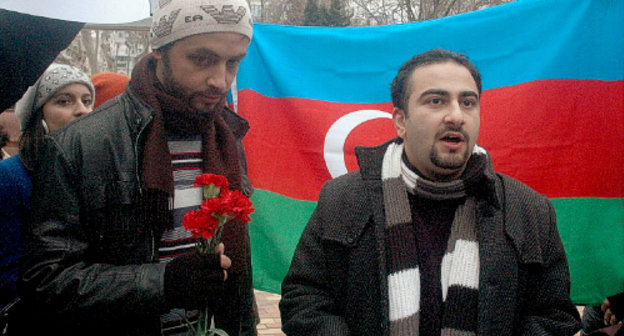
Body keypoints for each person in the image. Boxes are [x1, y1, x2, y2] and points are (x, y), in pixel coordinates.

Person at [279, 49, 581, 336]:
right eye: (436, 101)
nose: (456, 116)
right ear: (400, 121)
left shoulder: (529, 210)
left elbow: (553, 315)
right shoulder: (343, 200)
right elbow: (304, 299)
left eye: (468, 102)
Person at [20, 0, 256, 335]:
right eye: (201, 59)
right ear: (160, 51)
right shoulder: (79, 145)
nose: (219, 80)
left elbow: (238, 271)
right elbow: (46, 281)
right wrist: (162, 282)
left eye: (232, 63)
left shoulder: (228, 139)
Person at [0, 63, 94, 332]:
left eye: (87, 101)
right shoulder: (9, 177)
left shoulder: (95, 173)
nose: (82, 110)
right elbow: (8, 271)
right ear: (37, 114)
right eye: (64, 101)